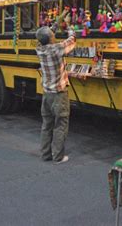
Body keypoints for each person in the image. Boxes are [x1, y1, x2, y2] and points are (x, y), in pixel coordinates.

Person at [35, 26, 76, 164]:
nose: (55, 36)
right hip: (59, 95)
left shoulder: (39, 48)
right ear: (51, 38)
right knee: (60, 125)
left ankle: (45, 154)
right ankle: (58, 157)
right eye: (53, 35)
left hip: (46, 94)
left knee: (47, 125)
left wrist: (53, 27)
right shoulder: (56, 49)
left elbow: (44, 36)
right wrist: (71, 29)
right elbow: (71, 41)